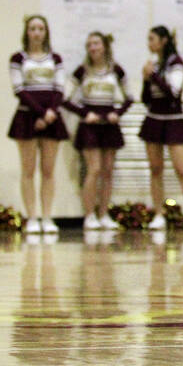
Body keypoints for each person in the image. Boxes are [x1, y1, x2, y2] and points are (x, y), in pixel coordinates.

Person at [65, 32, 133, 231]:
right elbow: (65, 98)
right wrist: (85, 113)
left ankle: (103, 213)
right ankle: (89, 214)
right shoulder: (82, 71)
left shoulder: (116, 70)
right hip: (90, 124)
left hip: (109, 123)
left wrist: (118, 112)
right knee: (93, 169)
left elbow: (129, 97)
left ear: (104, 46)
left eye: (96, 43)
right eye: (89, 45)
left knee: (108, 171)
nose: (92, 48)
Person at [7, 15, 67, 235]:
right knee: (28, 170)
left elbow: (59, 88)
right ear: (27, 32)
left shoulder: (56, 58)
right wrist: (40, 113)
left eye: (41, 28)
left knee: (48, 171)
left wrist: (51, 113)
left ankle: (47, 217)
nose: (37, 32)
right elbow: (19, 89)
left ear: (46, 32)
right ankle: (32, 216)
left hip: (52, 118)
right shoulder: (18, 58)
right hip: (27, 117)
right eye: (33, 28)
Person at [140, 26, 183, 231]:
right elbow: (146, 99)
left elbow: (173, 92)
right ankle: (158, 214)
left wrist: (154, 76)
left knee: (182, 169)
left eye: (152, 39)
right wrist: (145, 80)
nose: (149, 43)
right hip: (154, 119)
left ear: (164, 40)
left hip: (173, 120)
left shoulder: (176, 62)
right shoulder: (153, 63)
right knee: (155, 169)